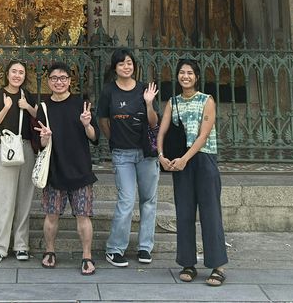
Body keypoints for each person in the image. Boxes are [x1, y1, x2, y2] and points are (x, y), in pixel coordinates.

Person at [157, 57, 228, 287]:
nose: (185, 76)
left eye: (189, 73)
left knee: (210, 213)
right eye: (182, 72)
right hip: (180, 162)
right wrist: (161, 155)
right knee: (184, 213)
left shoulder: (207, 100)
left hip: (203, 160)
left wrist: (185, 159)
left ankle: (218, 266)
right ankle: (187, 263)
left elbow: (203, 135)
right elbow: (162, 131)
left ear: (196, 77)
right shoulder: (172, 102)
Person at [35, 61, 100, 276]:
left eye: (63, 78)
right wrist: (45, 138)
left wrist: (87, 124)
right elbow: (40, 144)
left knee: (83, 215)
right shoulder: (44, 108)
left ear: (70, 81)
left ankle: (87, 256)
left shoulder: (81, 104)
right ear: (48, 82)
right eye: (54, 78)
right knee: (51, 215)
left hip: (80, 169)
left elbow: (94, 137)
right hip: (54, 169)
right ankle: (50, 251)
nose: (59, 82)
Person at [96, 48, 159, 267]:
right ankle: (114, 249)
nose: (126, 66)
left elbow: (154, 122)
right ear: (115, 68)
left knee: (148, 200)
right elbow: (103, 120)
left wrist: (149, 103)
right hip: (122, 154)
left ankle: (145, 247)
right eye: (121, 63)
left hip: (146, 154)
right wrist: (114, 139)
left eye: (129, 62)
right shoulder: (109, 91)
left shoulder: (145, 89)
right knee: (126, 200)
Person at [0, 60, 39, 263]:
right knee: (4, 199)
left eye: (21, 72)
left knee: (24, 199)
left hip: (25, 148)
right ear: (7, 74)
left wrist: (28, 107)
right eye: (14, 71)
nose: (17, 75)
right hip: (6, 147)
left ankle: (21, 245)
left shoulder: (28, 96)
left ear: (25, 76)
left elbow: (40, 118)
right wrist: (6, 108)